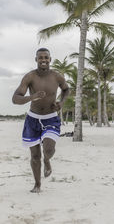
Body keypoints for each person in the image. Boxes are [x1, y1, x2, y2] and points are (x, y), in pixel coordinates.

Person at [12, 47, 70, 193]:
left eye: (46, 57)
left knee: (48, 150)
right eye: (40, 58)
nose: (43, 60)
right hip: (33, 119)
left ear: (50, 59)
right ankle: (37, 185)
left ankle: (47, 160)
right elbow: (15, 99)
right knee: (35, 155)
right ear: (36, 60)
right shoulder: (30, 77)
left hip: (51, 118)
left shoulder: (57, 77)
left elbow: (66, 89)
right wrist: (32, 97)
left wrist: (61, 103)